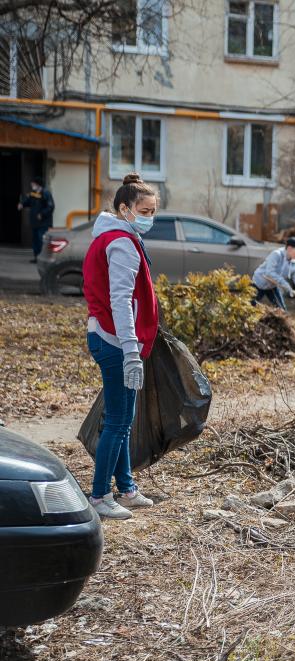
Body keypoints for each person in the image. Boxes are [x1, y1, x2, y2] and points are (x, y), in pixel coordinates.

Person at [80, 173, 160, 520]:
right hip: (115, 340)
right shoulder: (122, 243)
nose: (149, 217)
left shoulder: (110, 237)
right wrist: (130, 350)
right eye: (144, 211)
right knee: (118, 421)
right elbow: (121, 301)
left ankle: (126, 489)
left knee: (124, 419)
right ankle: (100, 496)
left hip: (108, 336)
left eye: (153, 211)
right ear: (124, 209)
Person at [251, 236, 295, 310]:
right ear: (289, 248)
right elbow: (269, 272)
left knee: (282, 311)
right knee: (249, 307)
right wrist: (284, 283)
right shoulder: (276, 254)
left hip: (272, 287)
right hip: (258, 284)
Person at [17, 176, 55, 263]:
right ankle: (36, 257)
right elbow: (28, 201)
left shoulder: (46, 193)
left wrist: (42, 214)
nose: (32, 185)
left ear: (38, 184)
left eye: (33, 183)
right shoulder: (33, 193)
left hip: (43, 223)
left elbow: (51, 206)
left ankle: (43, 258)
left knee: (41, 240)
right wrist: (22, 204)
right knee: (35, 241)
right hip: (35, 222)